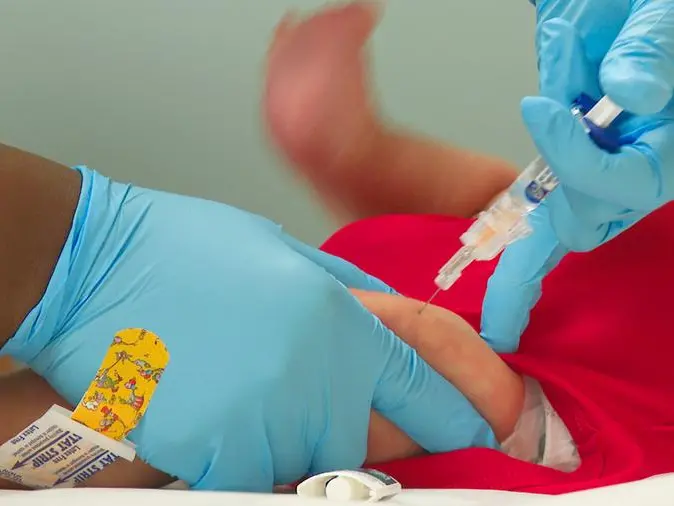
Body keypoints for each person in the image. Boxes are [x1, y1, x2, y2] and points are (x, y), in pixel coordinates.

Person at [0, 0, 672, 493]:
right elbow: (502, 207)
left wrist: (522, 428)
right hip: (309, 307)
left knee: (120, 421)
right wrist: (360, 156)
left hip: (421, 402)